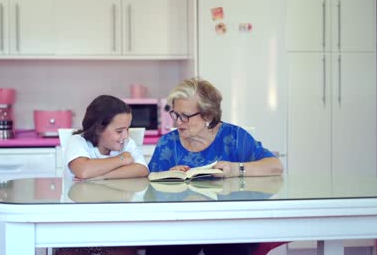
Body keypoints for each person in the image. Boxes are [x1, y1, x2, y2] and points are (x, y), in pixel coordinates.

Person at [146, 78, 283, 255]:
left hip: (228, 224)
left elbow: (274, 166)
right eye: (175, 114)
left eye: (185, 116)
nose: (178, 122)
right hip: (180, 225)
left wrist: (235, 169)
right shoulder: (168, 143)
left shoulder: (233, 137)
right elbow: (149, 191)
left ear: (208, 115)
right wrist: (168, 178)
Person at [56, 94, 149, 255]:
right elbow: (83, 170)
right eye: (119, 131)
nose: (126, 136)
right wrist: (121, 159)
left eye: (127, 129)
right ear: (99, 128)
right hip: (78, 228)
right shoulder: (78, 142)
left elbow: (142, 169)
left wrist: (100, 176)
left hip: (116, 226)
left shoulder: (127, 143)